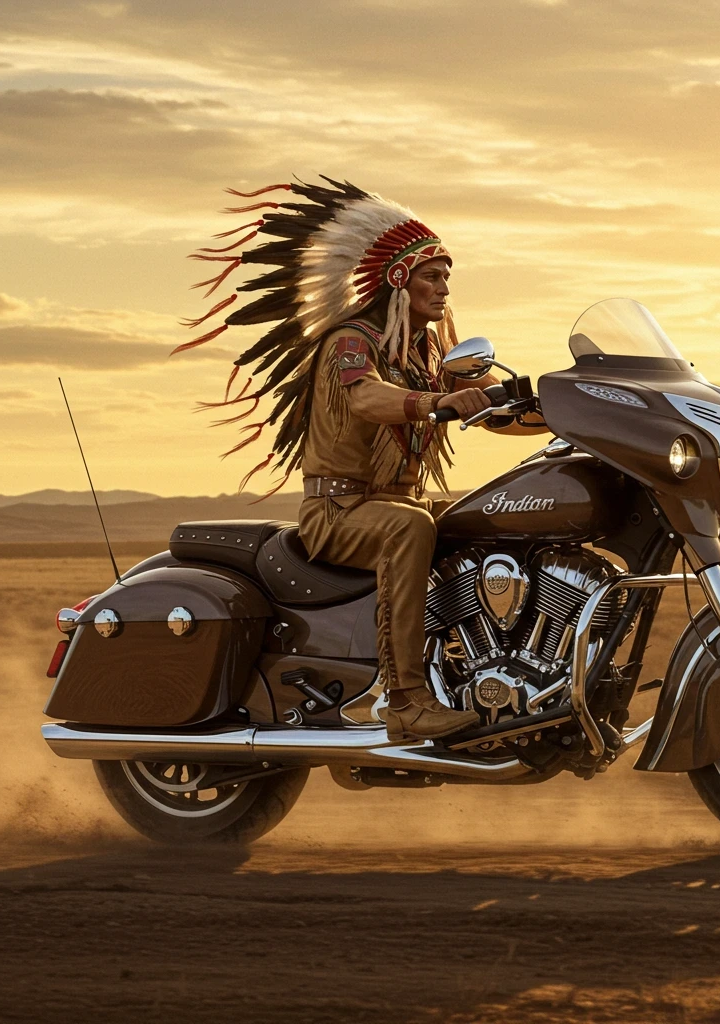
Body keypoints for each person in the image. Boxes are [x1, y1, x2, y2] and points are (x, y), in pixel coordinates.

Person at [178, 176, 546, 741]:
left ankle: (482, 672)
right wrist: (435, 401)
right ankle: (404, 700)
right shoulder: (354, 341)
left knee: (490, 520)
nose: (443, 286)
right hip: (341, 512)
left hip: (398, 502)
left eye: (447, 275)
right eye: (431, 275)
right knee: (408, 529)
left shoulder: (424, 352)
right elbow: (367, 397)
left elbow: (490, 406)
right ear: (398, 281)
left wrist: (571, 410)